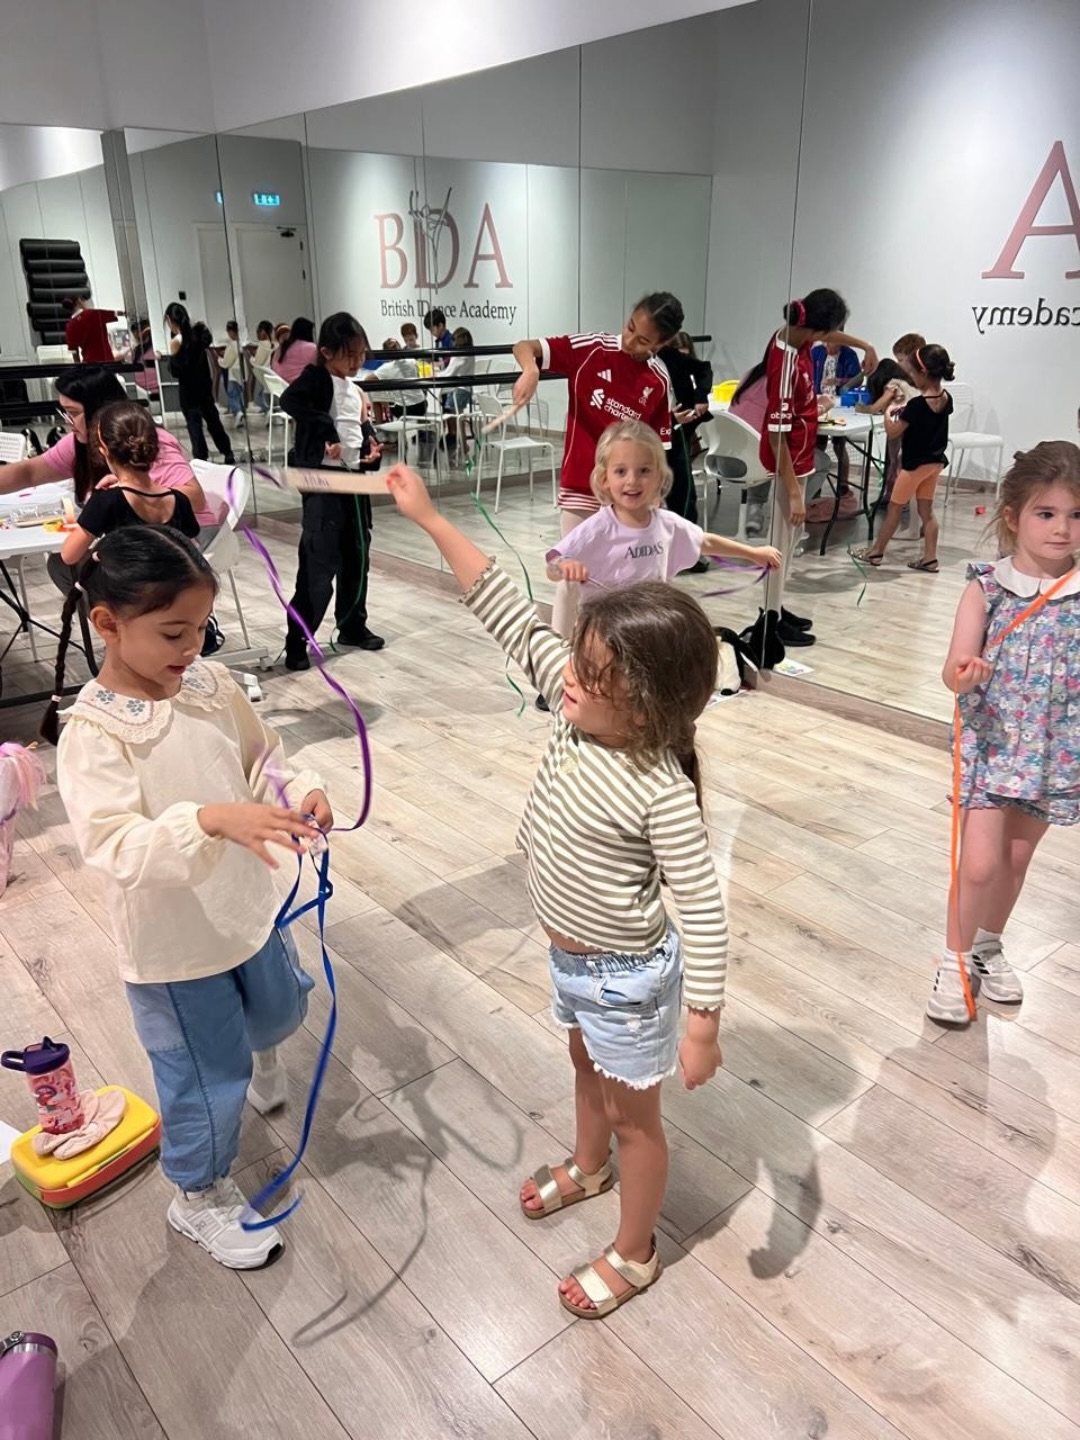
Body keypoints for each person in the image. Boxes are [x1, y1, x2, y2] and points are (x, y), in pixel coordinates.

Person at [386, 462, 726, 1318]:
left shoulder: (660, 787)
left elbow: (707, 911)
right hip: (572, 962)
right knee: (585, 1068)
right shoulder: (571, 703)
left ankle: (636, 1248)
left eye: (593, 670)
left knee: (637, 1114)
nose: (568, 674)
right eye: (575, 657)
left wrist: (703, 1025)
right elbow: (497, 602)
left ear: (646, 707)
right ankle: (587, 1162)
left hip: (627, 977)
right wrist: (429, 517)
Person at [42, 525, 332, 1268]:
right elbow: (113, 846)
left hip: (248, 906)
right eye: (174, 632)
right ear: (108, 625)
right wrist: (208, 818)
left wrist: (299, 789)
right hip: (174, 949)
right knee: (206, 1078)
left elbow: (260, 754)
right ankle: (197, 1195)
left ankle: (255, 1054)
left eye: (202, 627)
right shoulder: (93, 733)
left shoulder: (210, 684)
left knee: (279, 1009)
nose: (192, 647)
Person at [928, 441, 1080, 1025]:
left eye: (1074, 515)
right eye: (1046, 514)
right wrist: (966, 675)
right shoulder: (987, 587)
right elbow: (953, 671)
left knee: (1016, 861)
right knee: (981, 863)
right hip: (992, 746)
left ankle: (989, 946)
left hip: (1056, 751)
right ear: (1014, 516)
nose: (1062, 530)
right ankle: (954, 958)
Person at [511, 292, 683, 639]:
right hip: (580, 487)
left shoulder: (658, 382)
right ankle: (559, 662)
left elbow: (657, 451)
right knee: (572, 577)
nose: (630, 341)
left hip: (627, 497)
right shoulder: (592, 349)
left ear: (661, 344)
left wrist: (652, 500)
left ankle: (605, 660)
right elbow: (525, 346)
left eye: (643, 340)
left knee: (619, 584)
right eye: (630, 327)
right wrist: (530, 369)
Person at [733, 291, 878, 662]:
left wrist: (864, 346)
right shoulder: (784, 365)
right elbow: (777, 434)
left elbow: (828, 336)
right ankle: (768, 617)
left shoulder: (792, 335)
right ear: (813, 327)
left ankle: (776, 609)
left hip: (799, 452)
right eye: (827, 333)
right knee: (779, 543)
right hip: (787, 459)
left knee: (789, 540)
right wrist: (795, 492)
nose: (828, 340)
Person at [545, 420, 780, 625]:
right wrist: (564, 566)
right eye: (621, 472)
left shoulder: (666, 523)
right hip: (606, 630)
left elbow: (704, 541)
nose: (633, 481)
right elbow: (553, 560)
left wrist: (753, 553)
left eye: (644, 470)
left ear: (659, 477)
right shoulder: (598, 528)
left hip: (651, 624)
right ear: (605, 479)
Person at [281, 312, 384, 670]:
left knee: (357, 555)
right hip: (324, 486)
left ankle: (352, 625)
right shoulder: (316, 379)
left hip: (354, 483)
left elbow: (360, 430)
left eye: (361, 355)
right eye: (350, 355)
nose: (357, 362)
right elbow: (290, 402)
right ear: (326, 352)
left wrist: (371, 452)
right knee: (318, 564)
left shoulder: (355, 389)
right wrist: (326, 434)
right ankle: (298, 640)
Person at [0, 368, 210, 523]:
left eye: (73, 413)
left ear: (99, 409)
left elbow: (195, 498)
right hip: (137, 542)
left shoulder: (147, 441)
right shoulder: (80, 442)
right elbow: (29, 472)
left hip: (178, 543)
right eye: (64, 413)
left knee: (70, 564)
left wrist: (133, 490)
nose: (67, 421)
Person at [58, 401, 200, 570]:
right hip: (174, 589)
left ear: (104, 450)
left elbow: (69, 555)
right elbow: (190, 551)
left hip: (129, 593)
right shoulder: (180, 500)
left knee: (60, 566)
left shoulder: (106, 501)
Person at [856, 343, 954, 572]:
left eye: (911, 372)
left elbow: (893, 433)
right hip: (935, 462)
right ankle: (930, 559)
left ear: (923, 373)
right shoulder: (946, 398)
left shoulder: (916, 405)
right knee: (927, 512)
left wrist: (888, 414)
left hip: (914, 466)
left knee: (894, 509)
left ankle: (876, 552)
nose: (909, 377)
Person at [658, 330, 712, 559]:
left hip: (674, 433)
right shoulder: (630, 363)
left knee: (682, 493)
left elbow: (703, 369)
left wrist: (701, 396)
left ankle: (687, 553)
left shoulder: (669, 356)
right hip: (647, 435)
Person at [165, 304, 235, 466]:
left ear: (170, 321)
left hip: (189, 392)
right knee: (213, 422)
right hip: (204, 388)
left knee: (194, 426)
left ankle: (201, 459)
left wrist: (173, 355)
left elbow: (177, 371)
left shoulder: (178, 342)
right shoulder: (198, 337)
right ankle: (227, 451)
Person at [805, 339, 862, 523]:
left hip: (840, 403)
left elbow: (856, 379)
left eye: (833, 344)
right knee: (818, 443)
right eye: (827, 344)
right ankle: (816, 485)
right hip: (819, 400)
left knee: (840, 445)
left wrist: (838, 381)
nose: (829, 347)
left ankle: (842, 486)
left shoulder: (849, 355)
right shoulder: (817, 352)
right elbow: (809, 373)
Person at [63, 294, 118, 363]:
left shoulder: (69, 326)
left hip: (89, 363)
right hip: (106, 360)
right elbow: (116, 314)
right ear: (78, 301)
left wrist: (78, 366)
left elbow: (73, 351)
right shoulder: (93, 314)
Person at [271, 317, 317, 385]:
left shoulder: (282, 347)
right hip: (301, 388)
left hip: (282, 387)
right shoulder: (311, 348)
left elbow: (274, 367)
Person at [221, 320, 246, 426]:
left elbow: (226, 363)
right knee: (239, 395)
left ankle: (238, 412)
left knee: (232, 395)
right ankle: (240, 416)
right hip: (241, 373)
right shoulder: (240, 344)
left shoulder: (231, 346)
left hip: (233, 374)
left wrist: (219, 359)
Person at [251, 320, 276, 415]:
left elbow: (258, 362)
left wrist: (251, 358)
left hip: (262, 373)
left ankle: (268, 411)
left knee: (260, 396)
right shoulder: (272, 344)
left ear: (263, 332)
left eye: (259, 331)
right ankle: (269, 410)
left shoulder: (262, 345)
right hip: (269, 372)